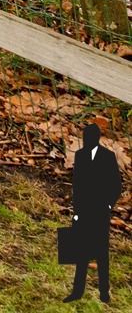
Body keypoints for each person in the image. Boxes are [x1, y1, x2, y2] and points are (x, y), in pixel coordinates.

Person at [70, 122, 123, 303]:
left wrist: (108, 205)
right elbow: (77, 186)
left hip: (100, 210)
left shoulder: (108, 157)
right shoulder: (80, 155)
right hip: (84, 210)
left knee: (101, 253)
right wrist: (76, 211)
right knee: (81, 252)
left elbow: (116, 185)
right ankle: (77, 291)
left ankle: (104, 292)